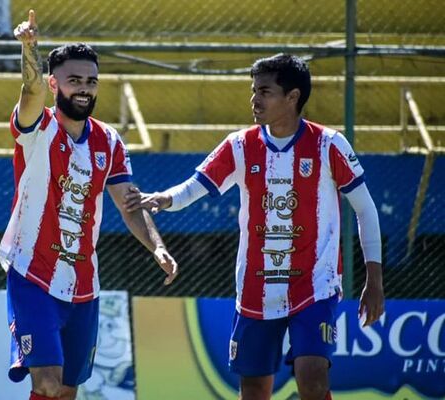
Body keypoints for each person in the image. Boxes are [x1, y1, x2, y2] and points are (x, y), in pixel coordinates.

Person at [124, 53, 384, 400]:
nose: (254, 99)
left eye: (265, 91)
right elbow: (194, 187)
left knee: (313, 378)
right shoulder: (240, 145)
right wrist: (163, 198)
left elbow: (366, 210)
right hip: (255, 288)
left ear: (292, 98)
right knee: (254, 391)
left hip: (314, 285)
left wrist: (375, 280)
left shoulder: (329, 144)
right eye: (253, 90)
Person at [0, 10, 179, 400]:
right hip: (32, 275)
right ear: (54, 83)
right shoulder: (38, 127)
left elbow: (129, 204)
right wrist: (29, 49)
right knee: (45, 380)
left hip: (83, 284)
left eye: (91, 81)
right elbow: (30, 94)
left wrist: (157, 246)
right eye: (74, 80)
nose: (84, 88)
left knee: (66, 389)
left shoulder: (110, 142)